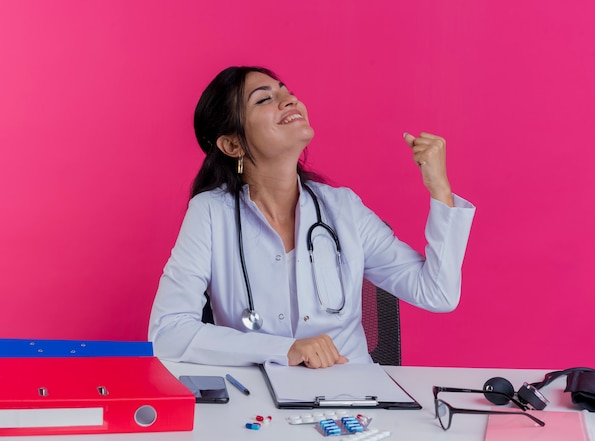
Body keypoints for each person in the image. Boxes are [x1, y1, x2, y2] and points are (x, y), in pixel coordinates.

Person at [148, 66, 475, 369]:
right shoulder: (210, 213)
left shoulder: (343, 208)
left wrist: (439, 188)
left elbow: (437, 293)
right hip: (258, 402)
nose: (289, 99)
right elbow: (167, 333)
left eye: (285, 91)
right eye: (265, 98)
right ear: (233, 144)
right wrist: (284, 350)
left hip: (355, 397)